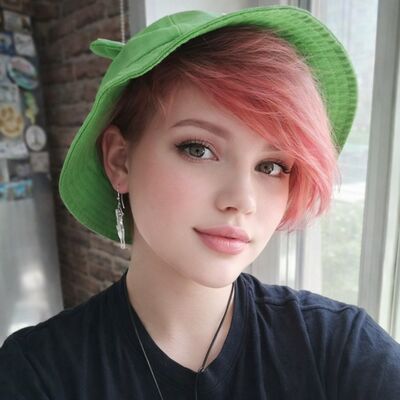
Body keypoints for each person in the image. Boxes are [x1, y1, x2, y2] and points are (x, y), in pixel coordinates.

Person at [1, 5, 399, 400]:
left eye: (272, 166)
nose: (242, 200)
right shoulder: (38, 372)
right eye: (198, 149)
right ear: (120, 160)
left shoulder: (339, 349)